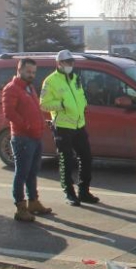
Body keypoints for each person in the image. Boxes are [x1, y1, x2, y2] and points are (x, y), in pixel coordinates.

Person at [40, 50, 100, 206]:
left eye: (71, 62)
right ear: (59, 64)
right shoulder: (50, 81)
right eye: (67, 62)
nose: (70, 65)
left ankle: (84, 191)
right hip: (63, 126)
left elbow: (80, 96)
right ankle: (69, 193)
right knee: (66, 160)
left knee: (86, 158)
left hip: (79, 125)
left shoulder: (75, 78)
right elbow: (43, 104)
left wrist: (84, 104)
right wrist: (61, 105)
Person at [2, 58, 52, 222]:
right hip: (23, 138)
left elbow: (34, 109)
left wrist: (40, 124)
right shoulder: (12, 89)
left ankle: (33, 202)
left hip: (35, 137)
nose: (32, 75)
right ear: (20, 70)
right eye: (28, 72)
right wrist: (27, 125)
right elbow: (9, 113)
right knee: (22, 173)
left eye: (33, 72)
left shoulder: (29, 88)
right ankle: (20, 207)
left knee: (33, 172)